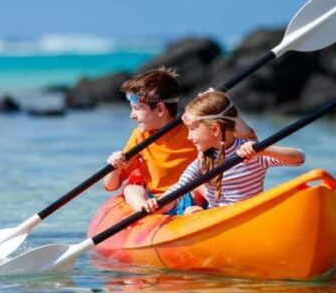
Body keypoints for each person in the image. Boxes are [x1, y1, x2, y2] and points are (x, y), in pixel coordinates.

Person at [142, 89, 305, 215]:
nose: (189, 137)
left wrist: (263, 150)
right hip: (217, 218)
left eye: (192, 130)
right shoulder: (203, 161)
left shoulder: (251, 153)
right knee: (191, 211)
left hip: (249, 216)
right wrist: (158, 203)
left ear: (214, 129)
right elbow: (179, 189)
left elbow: (299, 158)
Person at [103, 68, 199, 212]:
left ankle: (192, 213)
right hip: (154, 201)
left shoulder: (192, 130)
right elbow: (111, 186)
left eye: (137, 108)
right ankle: (145, 212)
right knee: (131, 189)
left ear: (160, 109)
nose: (132, 115)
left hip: (186, 198)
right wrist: (114, 168)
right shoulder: (140, 136)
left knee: (199, 189)